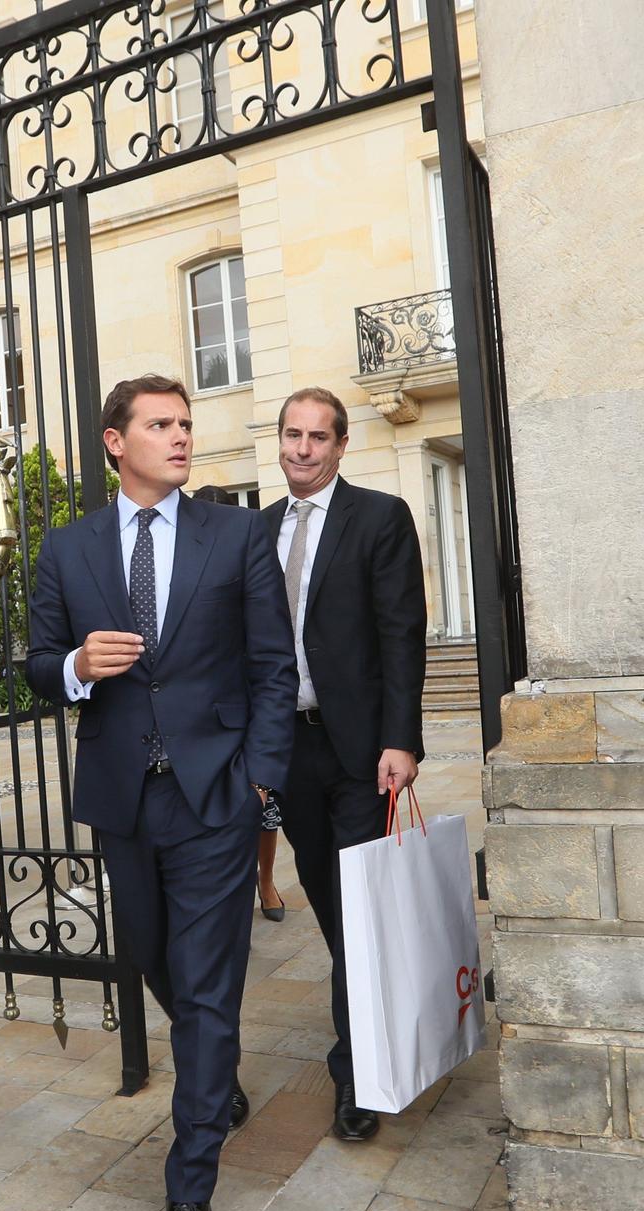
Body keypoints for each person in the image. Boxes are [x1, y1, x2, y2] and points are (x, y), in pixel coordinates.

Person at [27, 376, 296, 1211]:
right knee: (153, 958)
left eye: (186, 423)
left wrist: (261, 774)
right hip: (121, 798)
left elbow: (272, 664)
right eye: (160, 424)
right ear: (115, 441)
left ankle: (189, 1196)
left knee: (210, 982)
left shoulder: (236, 534)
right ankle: (211, 1076)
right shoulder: (68, 550)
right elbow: (33, 663)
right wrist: (71, 666)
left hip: (215, 794)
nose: (181, 436)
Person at [261, 387, 426, 1142]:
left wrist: (403, 739)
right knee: (332, 907)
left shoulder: (379, 519)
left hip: (360, 751)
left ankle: (355, 1075)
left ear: (340, 444)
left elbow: (401, 634)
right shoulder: (255, 530)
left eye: (316, 437)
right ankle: (367, 1017)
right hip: (291, 750)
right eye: (292, 435)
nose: (302, 449)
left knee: (359, 913)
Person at [191, 485, 286, 923]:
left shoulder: (247, 553)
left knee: (264, 812)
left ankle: (265, 881)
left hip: (250, 710)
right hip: (202, 718)